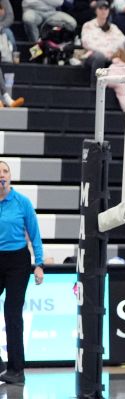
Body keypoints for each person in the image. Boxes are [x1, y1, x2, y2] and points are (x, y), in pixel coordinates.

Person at [0, 160, 45, 386]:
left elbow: (35, 234)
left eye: (5, 171)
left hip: (17, 261)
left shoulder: (21, 202)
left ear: (10, 176)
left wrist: (39, 264)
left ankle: (16, 370)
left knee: (12, 312)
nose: (2, 175)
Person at [80, 1, 125, 82]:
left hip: (111, 54)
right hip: (92, 56)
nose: (103, 11)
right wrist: (104, 52)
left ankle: (120, 85)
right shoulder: (88, 25)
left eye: (106, 9)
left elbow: (123, 40)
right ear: (96, 11)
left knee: (123, 55)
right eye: (101, 8)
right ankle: (95, 86)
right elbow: (86, 43)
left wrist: (111, 51)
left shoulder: (113, 27)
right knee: (100, 57)